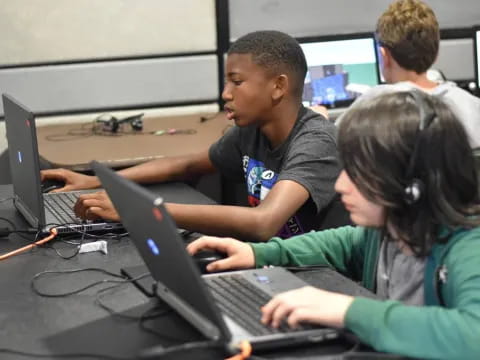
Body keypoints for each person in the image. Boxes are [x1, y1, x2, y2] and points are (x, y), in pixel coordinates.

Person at [187, 90, 480, 359]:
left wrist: (349, 310)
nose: (340, 185)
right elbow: (344, 242)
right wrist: (256, 253)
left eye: (356, 173)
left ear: (409, 185)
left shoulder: (468, 249)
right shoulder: (391, 232)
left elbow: (473, 336)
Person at [41, 30, 343, 242]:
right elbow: (185, 166)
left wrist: (139, 211)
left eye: (237, 82)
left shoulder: (316, 142)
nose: (225, 94)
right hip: (268, 261)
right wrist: (97, 179)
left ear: (278, 86)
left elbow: (263, 223)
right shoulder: (250, 131)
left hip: (314, 277)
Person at [335, 0, 480, 148]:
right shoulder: (472, 107)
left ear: (384, 56)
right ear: (436, 53)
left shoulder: (366, 109)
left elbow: (333, 149)